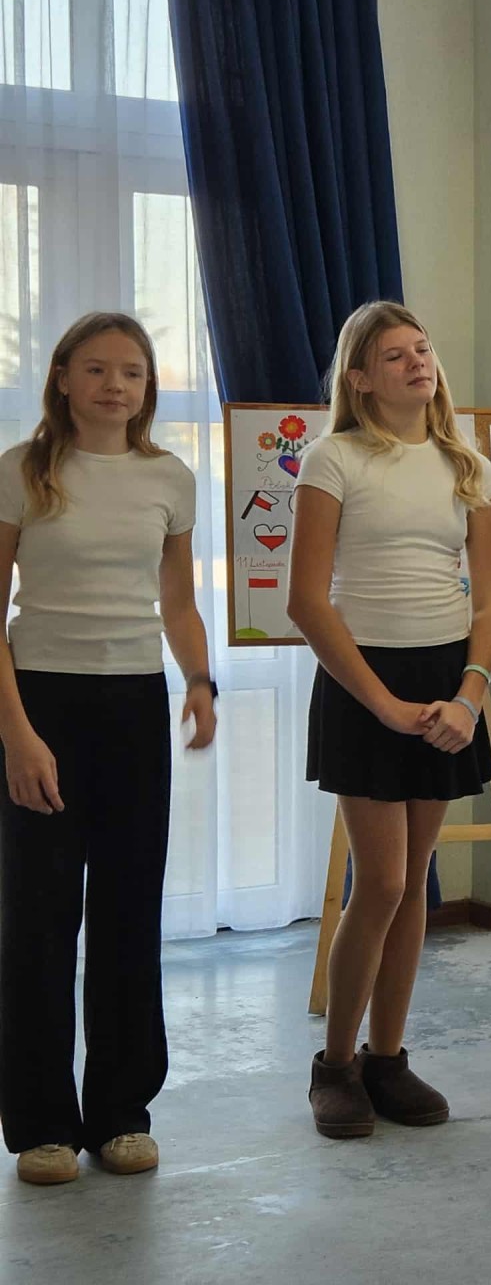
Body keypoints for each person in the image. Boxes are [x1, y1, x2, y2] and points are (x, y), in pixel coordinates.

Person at [0, 313, 217, 1186]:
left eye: (131, 371)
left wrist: (199, 681)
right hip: (40, 702)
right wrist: (16, 733)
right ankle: (42, 1125)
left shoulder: (170, 477)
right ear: (62, 377)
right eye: (96, 369)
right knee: (39, 917)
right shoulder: (23, 471)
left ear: (147, 386)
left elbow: (177, 602)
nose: (115, 385)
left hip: (133, 703)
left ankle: (122, 1112)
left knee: (129, 913)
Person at [289, 302, 491, 1137]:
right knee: (378, 882)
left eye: (423, 348)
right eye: (394, 355)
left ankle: (387, 1059)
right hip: (362, 681)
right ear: (359, 378)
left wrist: (468, 695)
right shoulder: (332, 458)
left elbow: (490, 602)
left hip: (446, 683)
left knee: (415, 882)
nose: (418, 362)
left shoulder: (467, 463)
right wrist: (381, 703)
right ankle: (335, 1065)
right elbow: (308, 602)